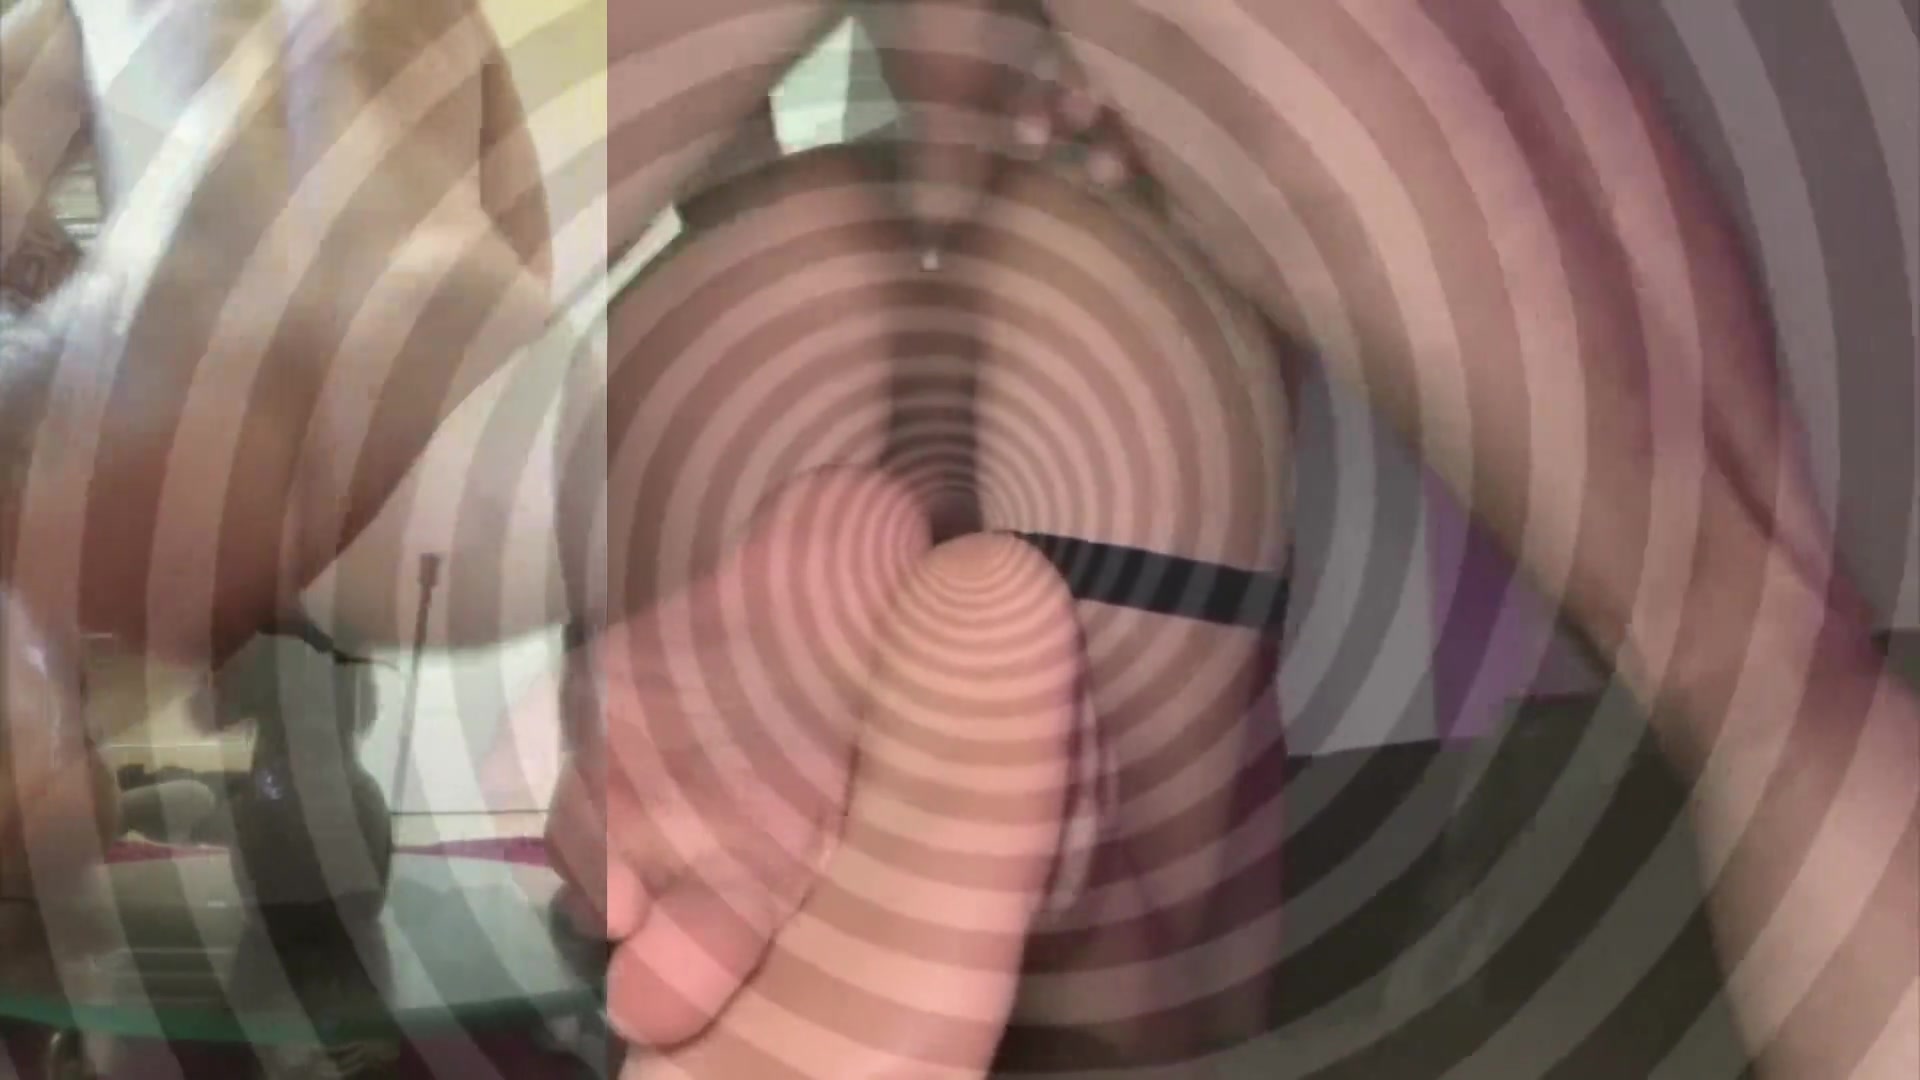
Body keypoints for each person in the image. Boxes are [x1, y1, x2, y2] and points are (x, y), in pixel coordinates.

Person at [599, 3, 1916, 1077]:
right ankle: (1078, 877)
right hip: (1127, 347)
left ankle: (933, 833)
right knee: (1765, 668)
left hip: (762, 334)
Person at [0, 0, 553, 887]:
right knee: (309, 682)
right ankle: (295, 743)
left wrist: (74, 311)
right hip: (413, 339)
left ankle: (44, 735)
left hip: (176, 349)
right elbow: (524, 234)